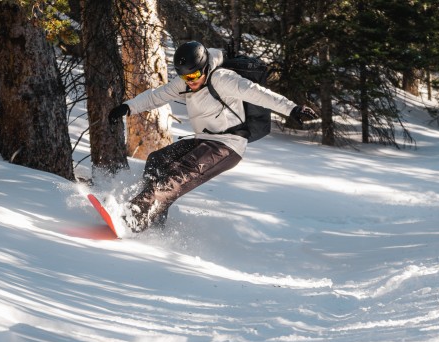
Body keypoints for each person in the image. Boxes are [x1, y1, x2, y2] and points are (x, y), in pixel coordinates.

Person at [107, 41, 319, 233]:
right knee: (158, 160)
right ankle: (152, 219)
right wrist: (127, 107)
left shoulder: (223, 79)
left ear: (205, 68)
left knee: (177, 176)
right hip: (204, 140)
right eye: (184, 77)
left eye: (192, 77)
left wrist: (292, 109)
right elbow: (156, 96)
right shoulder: (186, 81)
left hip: (228, 145)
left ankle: (134, 215)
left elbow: (259, 94)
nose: (189, 82)